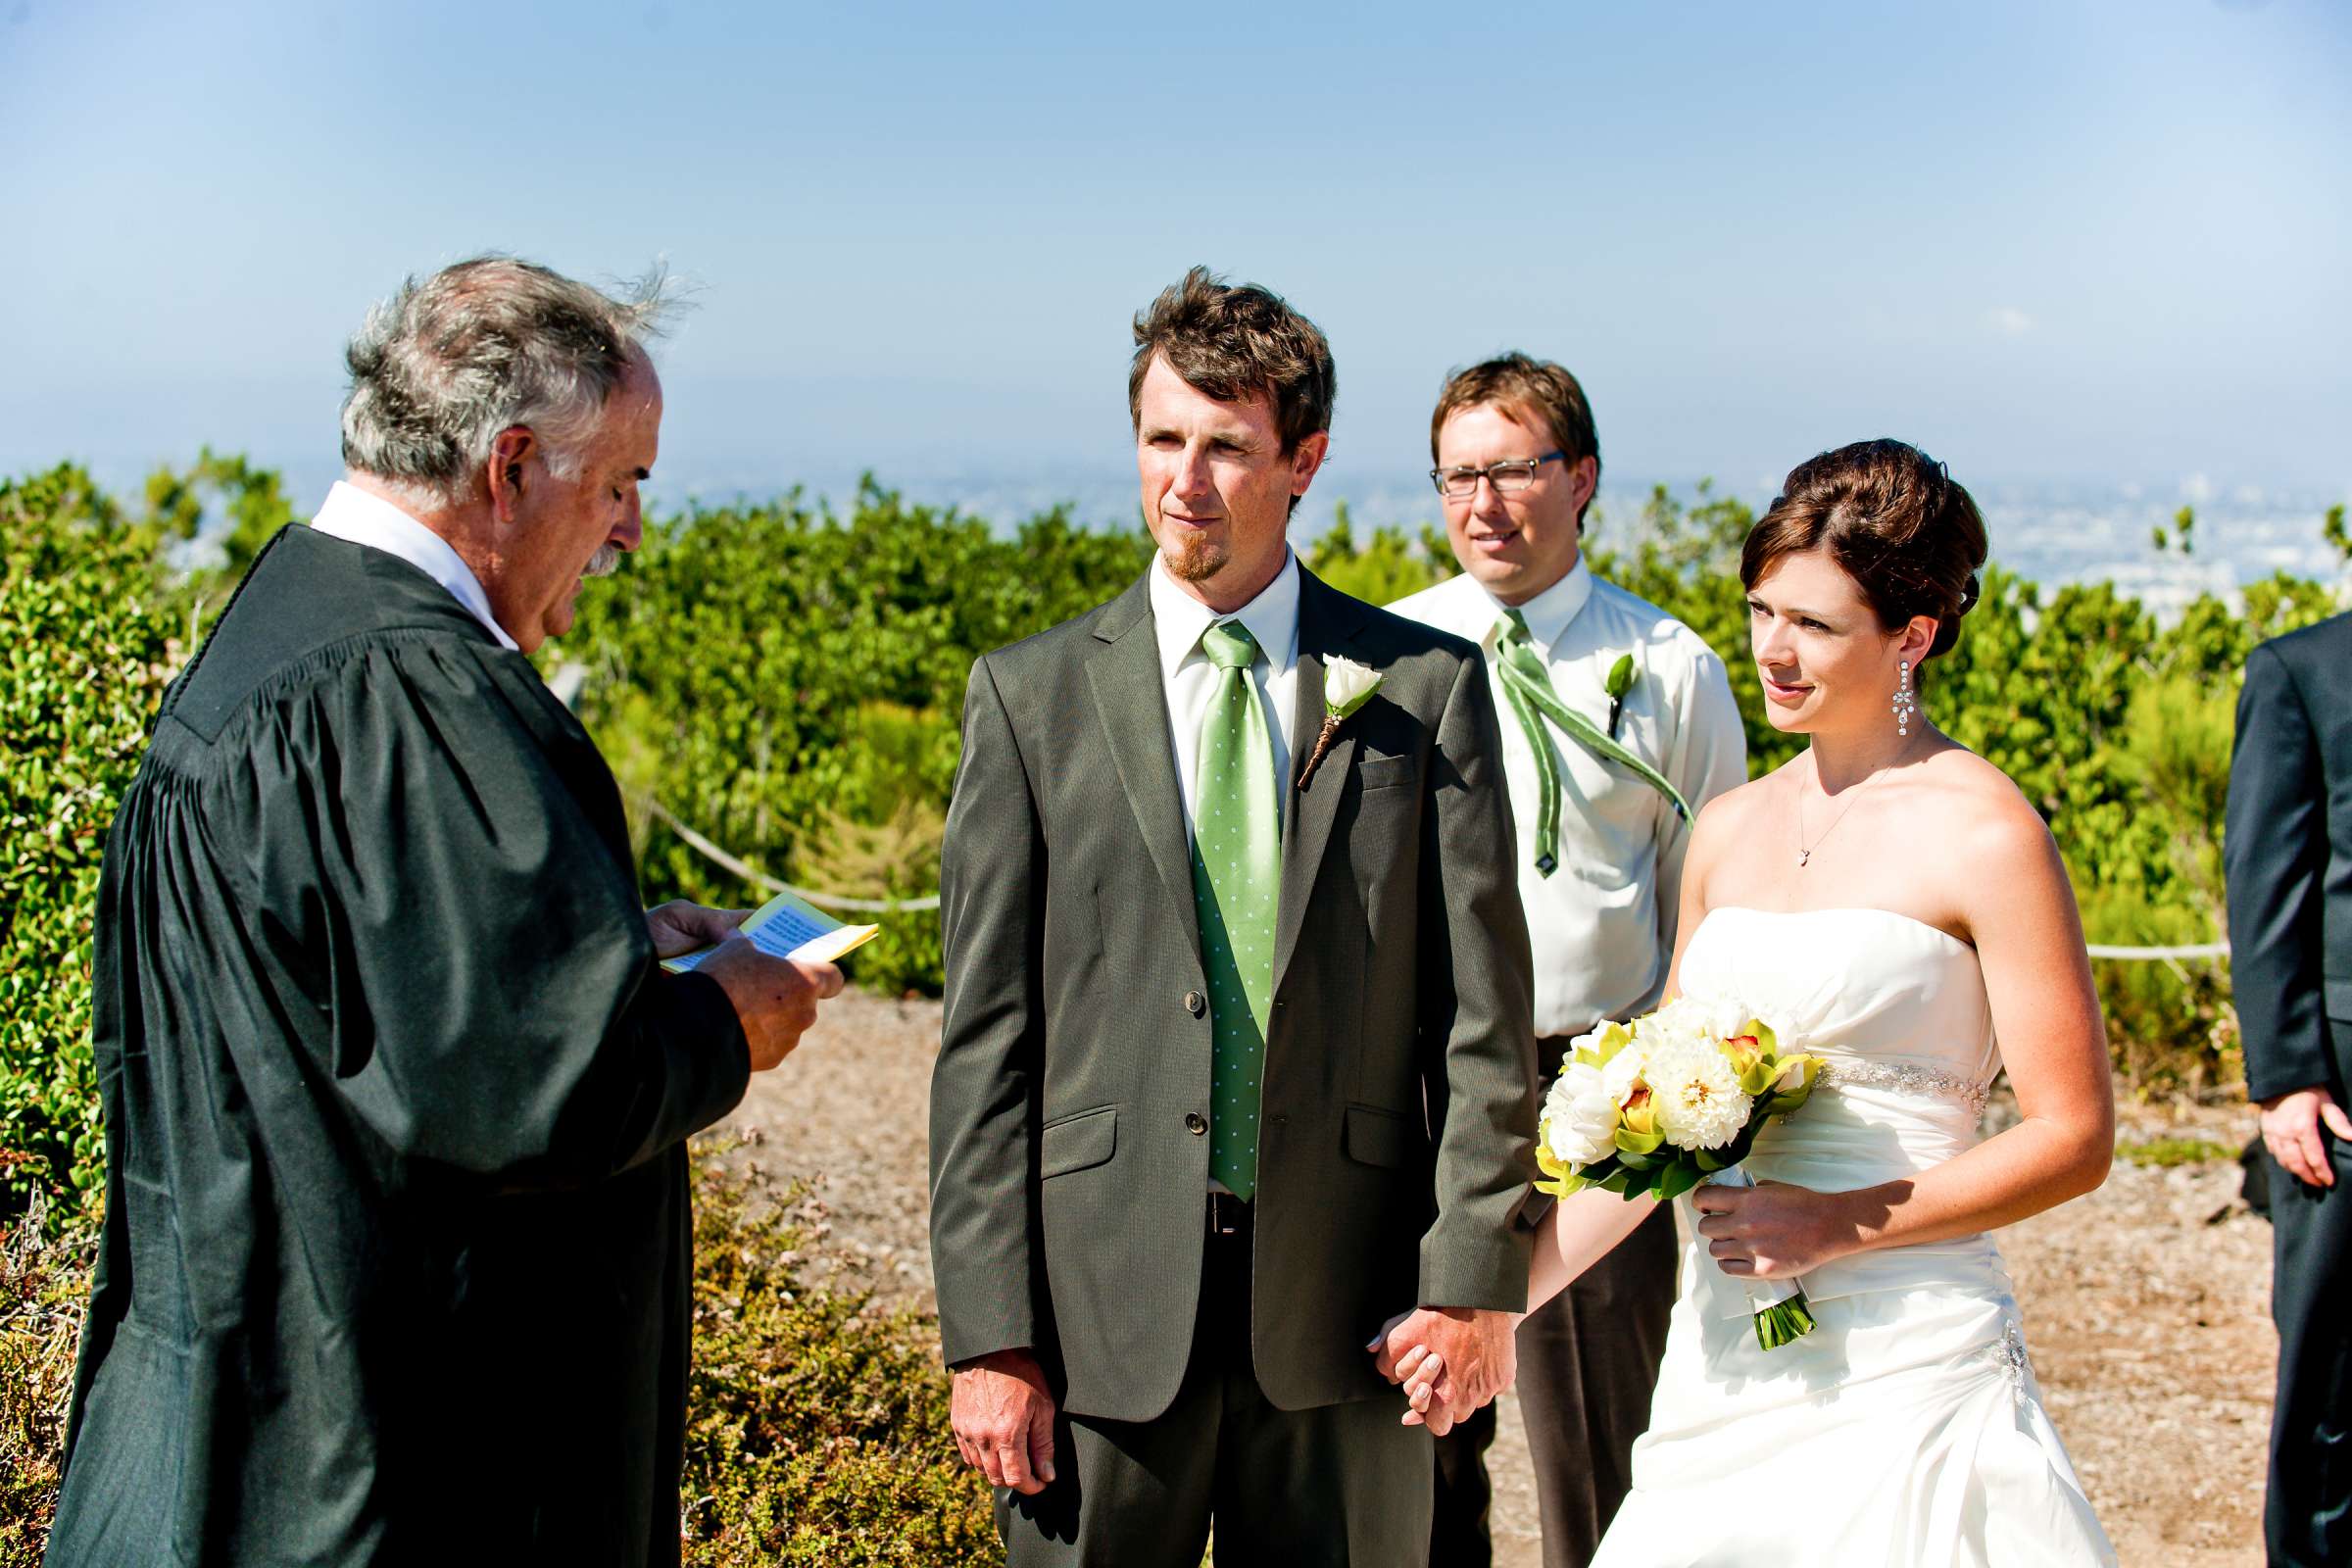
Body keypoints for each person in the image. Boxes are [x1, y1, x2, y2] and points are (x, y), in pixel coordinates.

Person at [44, 258, 841, 1567]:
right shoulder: (416, 693)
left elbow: (370, 998)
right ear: (511, 464)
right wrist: (728, 1016)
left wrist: (598, 944)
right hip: (396, 1480)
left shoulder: (288, 628)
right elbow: (546, 1093)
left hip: (243, 1434)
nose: (632, 528)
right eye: (621, 482)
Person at [1395, 439, 2118, 1564]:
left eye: (1816, 626)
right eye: (1762, 610)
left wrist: (1841, 1221)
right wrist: (1493, 1307)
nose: (1773, 652)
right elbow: (1651, 1139)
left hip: (1910, 1358)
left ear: (1913, 637)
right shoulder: (1727, 831)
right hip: (1724, 1358)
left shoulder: (1988, 831)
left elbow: (2075, 1138)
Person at [929, 266, 1540, 1565]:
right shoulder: (1029, 700)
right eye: (1162, 439)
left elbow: (1484, 1027)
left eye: (1228, 447)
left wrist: (1474, 1283)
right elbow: (985, 1043)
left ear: (1305, 458)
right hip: (1095, 1322)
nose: (1185, 482)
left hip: (1351, 1315)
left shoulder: (1426, 691)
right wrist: (989, 1332)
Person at [1389, 355, 1746, 1568]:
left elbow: (1714, 897)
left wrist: (1672, 1107)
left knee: (1603, 1444)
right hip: (1423, 1092)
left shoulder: (1674, 667)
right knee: (1418, 1434)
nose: (1484, 502)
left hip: (1598, 1089)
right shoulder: (1391, 652)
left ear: (1581, 477)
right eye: (1459, 475)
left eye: (1514, 469)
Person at [2226, 607, 2352, 1568]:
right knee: (2334, 1377)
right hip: (2342, 1087)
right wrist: (2290, 1076)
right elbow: (2267, 883)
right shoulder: (2301, 670)